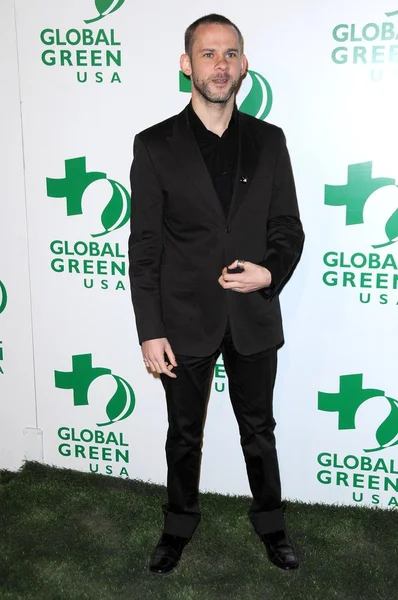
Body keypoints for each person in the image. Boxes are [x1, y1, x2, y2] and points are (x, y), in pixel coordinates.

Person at [128, 13, 304, 575]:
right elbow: (145, 246)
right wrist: (150, 329)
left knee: (260, 428)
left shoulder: (269, 141)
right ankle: (176, 529)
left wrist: (269, 272)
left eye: (230, 53)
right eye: (208, 54)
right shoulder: (154, 145)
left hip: (252, 314)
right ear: (187, 65)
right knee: (184, 434)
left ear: (244, 65)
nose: (220, 64)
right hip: (183, 320)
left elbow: (287, 228)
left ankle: (272, 526)